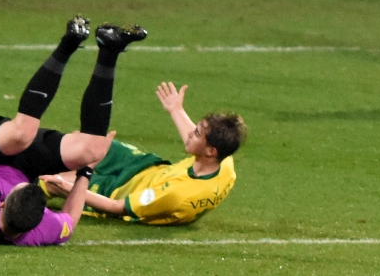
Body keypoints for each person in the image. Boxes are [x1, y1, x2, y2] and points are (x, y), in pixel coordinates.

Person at [0, 16, 148, 246]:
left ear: (2, 205)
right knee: (92, 150)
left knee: (22, 135)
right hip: (25, 165)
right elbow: (69, 222)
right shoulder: (42, 228)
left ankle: (68, 45)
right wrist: (86, 171)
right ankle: (109, 49)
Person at [41, 82, 247, 225]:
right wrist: (176, 110)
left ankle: (16, 193)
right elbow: (196, 143)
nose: (190, 133)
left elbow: (116, 206)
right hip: (143, 167)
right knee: (87, 143)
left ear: (211, 151)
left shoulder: (176, 195)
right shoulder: (224, 163)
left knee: (50, 182)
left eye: (197, 133)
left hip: (119, 190)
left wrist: (67, 186)